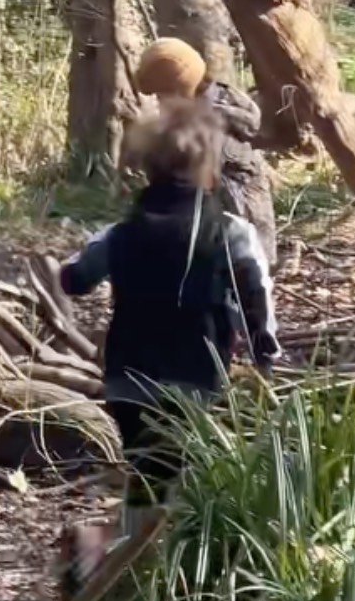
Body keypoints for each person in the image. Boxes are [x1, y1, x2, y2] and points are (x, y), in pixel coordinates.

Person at [59, 97, 279, 503]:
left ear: (148, 167)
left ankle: (136, 549)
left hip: (127, 381)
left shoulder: (120, 233)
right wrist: (265, 354)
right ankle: (167, 557)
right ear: (208, 169)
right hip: (194, 379)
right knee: (181, 477)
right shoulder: (231, 233)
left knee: (145, 477)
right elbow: (257, 296)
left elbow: (73, 279)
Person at [134, 36, 278, 270]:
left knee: (247, 270)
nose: (160, 102)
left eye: (162, 94)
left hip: (240, 215)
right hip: (214, 221)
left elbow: (253, 124)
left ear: (179, 89)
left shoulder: (217, 114)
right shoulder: (194, 111)